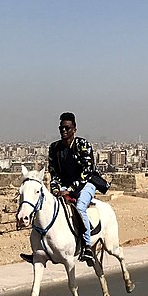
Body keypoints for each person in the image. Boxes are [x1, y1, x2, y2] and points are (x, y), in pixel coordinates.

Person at [48, 112, 98, 265]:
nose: (64, 131)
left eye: (67, 128)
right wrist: (56, 189)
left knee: (80, 206)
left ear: (74, 129)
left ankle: (87, 246)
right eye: (61, 128)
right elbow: (53, 173)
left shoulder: (83, 145)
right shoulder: (54, 148)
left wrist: (69, 190)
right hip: (63, 185)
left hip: (86, 183)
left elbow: (87, 172)